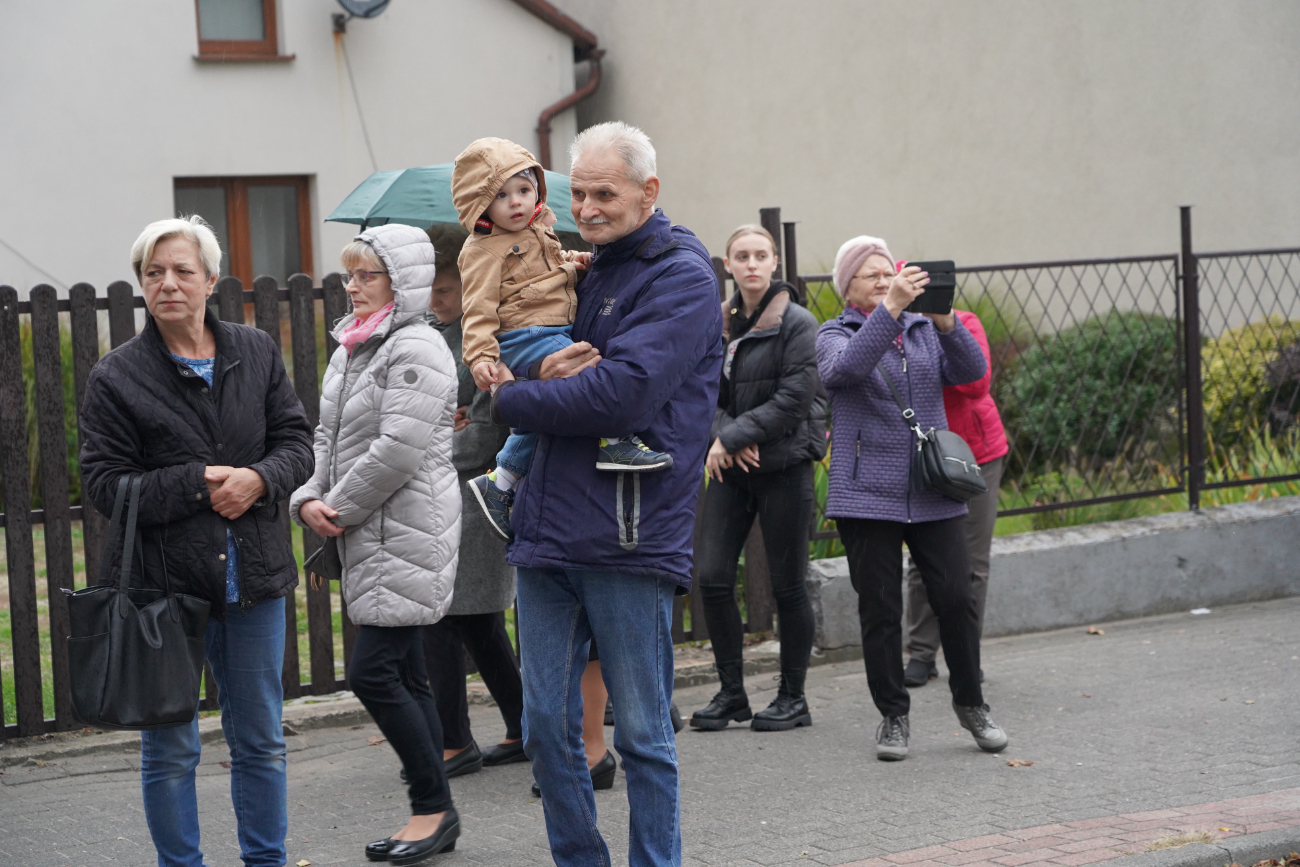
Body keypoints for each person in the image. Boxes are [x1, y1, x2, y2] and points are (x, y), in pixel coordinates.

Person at [490, 121, 723, 867]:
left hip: (627, 537)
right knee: (543, 727)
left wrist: (512, 398)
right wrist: (536, 372)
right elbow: (510, 335)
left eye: (604, 192)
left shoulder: (683, 275)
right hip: (546, 531)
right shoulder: (584, 270)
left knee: (644, 736)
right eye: (578, 191)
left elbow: (619, 396)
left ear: (648, 192)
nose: (586, 206)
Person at [78, 216, 314, 867]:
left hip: (254, 582)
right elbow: (104, 485)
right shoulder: (117, 377)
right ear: (141, 286)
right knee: (171, 749)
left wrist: (260, 479)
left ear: (211, 280)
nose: (168, 284)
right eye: (154, 273)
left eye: (183, 271)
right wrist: (195, 482)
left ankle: (265, 860)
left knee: (261, 739)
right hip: (165, 592)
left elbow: (296, 443)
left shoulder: (256, 349)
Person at [290, 224, 462, 864]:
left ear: (403, 281)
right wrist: (307, 496)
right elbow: (327, 442)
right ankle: (437, 811)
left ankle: (431, 809)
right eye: (350, 275)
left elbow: (397, 451)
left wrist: (334, 505)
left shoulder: (417, 347)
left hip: (407, 525)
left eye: (368, 275)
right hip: (370, 527)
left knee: (374, 671)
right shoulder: (353, 348)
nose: (353, 286)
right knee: (407, 673)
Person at [815, 235, 1010, 762]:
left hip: (932, 486)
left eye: (889, 272)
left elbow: (972, 376)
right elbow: (845, 371)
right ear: (848, 288)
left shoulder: (924, 330)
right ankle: (893, 716)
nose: (885, 281)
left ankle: (971, 703)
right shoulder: (835, 332)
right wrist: (892, 309)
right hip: (865, 493)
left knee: (956, 596)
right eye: (872, 276)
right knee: (879, 608)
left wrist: (946, 323)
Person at [451, 136, 673, 542]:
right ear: (480, 205)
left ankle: (500, 480)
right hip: (525, 332)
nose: (517, 202)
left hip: (550, 325)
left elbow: (544, 270)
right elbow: (478, 307)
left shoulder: (538, 226)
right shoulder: (482, 249)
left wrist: (573, 263)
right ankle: (615, 441)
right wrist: (480, 354)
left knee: (541, 420)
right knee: (587, 370)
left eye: (524, 189)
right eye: (501, 195)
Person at [690, 224, 826, 732]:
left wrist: (732, 436)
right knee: (714, 576)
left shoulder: (798, 322)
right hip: (733, 465)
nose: (751, 264)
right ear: (728, 265)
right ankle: (732, 695)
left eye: (760, 255)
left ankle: (794, 697)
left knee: (789, 586)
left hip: (785, 464)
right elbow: (701, 391)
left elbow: (795, 397)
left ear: (774, 264)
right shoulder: (717, 322)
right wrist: (724, 436)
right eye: (741, 256)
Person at [420, 223, 527, 777]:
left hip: (475, 495)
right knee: (471, 620)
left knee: (452, 616)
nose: (434, 301)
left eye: (444, 290)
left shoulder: (485, 340)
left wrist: (431, 436)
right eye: (430, 290)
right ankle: (521, 723)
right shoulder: (433, 335)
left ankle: (455, 741)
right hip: (444, 493)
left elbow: (487, 431)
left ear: (471, 287)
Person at [903, 305, 1009, 689]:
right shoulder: (893, 327)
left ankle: (966, 652)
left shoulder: (963, 322)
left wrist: (944, 326)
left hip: (976, 453)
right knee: (922, 560)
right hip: (926, 458)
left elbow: (976, 383)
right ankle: (920, 653)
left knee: (972, 564)